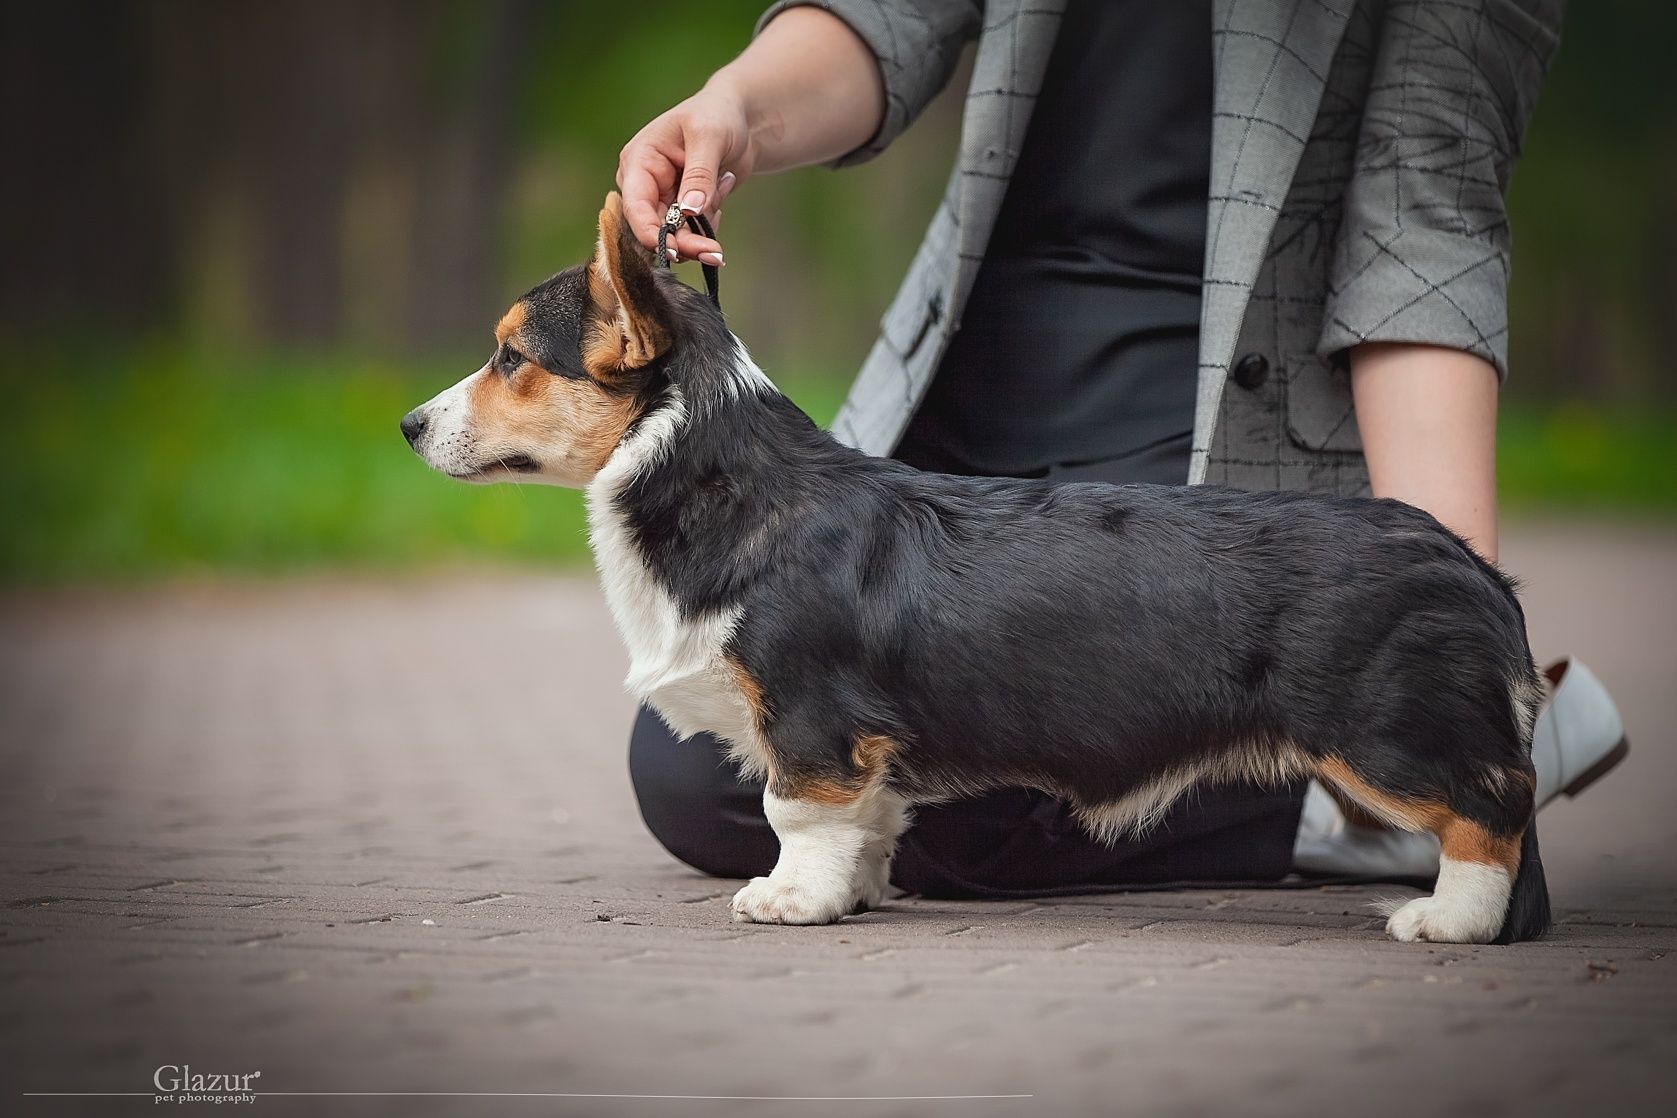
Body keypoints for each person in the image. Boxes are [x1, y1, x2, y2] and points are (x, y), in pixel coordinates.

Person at [616, 0, 1625, 897]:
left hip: (1214, 436)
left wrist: (1432, 638)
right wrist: (737, 107)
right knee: (704, 769)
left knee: (975, 808)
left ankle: (1396, 765)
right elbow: (886, 21)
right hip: (967, 393)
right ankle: (1350, 783)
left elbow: (1424, 225)